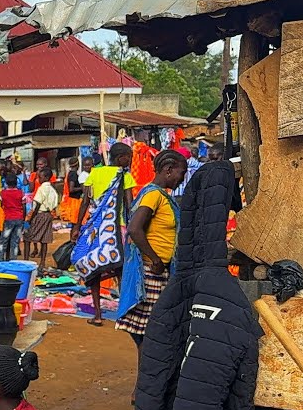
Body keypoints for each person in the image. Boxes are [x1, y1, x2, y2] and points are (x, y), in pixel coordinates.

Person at [115, 150, 187, 345]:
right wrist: (155, 259)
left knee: (148, 334)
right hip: (150, 273)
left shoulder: (158, 194)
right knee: (150, 334)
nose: (182, 179)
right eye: (182, 173)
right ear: (169, 170)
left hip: (156, 272)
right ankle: (146, 375)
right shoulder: (154, 195)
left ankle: (146, 374)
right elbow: (135, 229)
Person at [73, 143, 136, 326]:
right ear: (120, 158)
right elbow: (130, 205)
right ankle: (123, 314)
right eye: (128, 156)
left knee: (93, 270)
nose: (130, 160)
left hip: (95, 229)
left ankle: (98, 315)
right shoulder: (125, 176)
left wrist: (77, 227)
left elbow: (85, 202)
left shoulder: (95, 173)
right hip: (117, 229)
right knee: (119, 269)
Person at [23, 176, 59, 265]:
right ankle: (42, 262)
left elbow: (38, 204)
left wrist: (31, 219)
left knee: (27, 237)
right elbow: (55, 203)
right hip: (48, 214)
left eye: (40, 177)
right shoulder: (52, 189)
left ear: (44, 178)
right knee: (44, 239)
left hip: (39, 214)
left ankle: (26, 260)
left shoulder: (41, 189)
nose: (39, 179)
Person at [0, 173, 25, 264]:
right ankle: (13, 262)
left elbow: (1, 204)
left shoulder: (2, 193)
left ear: (6, 183)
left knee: (3, 242)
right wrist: (23, 218)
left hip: (7, 218)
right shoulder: (21, 193)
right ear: (16, 182)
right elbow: (23, 207)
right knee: (15, 242)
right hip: (19, 218)